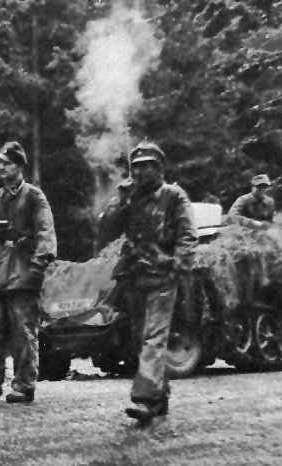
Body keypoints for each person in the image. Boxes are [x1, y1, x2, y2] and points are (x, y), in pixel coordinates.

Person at [98, 142, 198, 425]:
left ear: (159, 168)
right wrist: (119, 202)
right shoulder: (130, 199)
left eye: (146, 165)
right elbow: (105, 230)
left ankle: (144, 399)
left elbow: (188, 235)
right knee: (139, 340)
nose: (140, 171)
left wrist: (177, 265)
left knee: (154, 337)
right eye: (136, 166)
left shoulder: (173, 196)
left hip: (162, 276)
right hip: (134, 276)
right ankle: (159, 398)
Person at [0, 141, 57, 404]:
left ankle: (23, 384)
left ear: (19, 166)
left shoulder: (34, 196)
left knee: (23, 328)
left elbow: (46, 233)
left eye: (6, 164)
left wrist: (38, 266)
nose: (1, 168)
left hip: (24, 268)